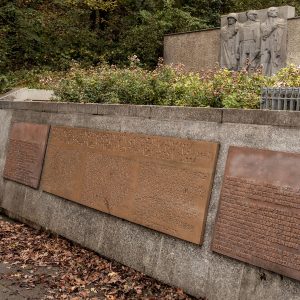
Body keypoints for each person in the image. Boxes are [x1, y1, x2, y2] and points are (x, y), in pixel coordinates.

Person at [260, 7, 287, 76]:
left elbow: (282, 31)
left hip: (276, 44)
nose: (276, 12)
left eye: (276, 11)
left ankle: (274, 78)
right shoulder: (263, 24)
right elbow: (264, 34)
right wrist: (272, 27)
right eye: (274, 10)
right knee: (263, 62)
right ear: (269, 13)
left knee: (275, 61)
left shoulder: (281, 21)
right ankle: (261, 79)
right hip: (266, 45)